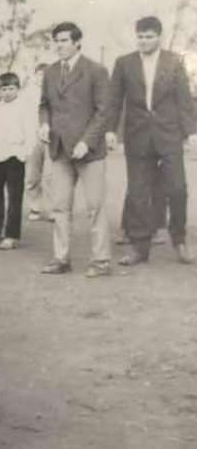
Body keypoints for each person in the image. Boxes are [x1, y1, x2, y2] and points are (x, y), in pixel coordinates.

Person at [106, 16, 196, 266]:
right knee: (138, 192)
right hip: (137, 137)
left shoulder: (174, 62)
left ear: (159, 37)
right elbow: (114, 100)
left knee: (177, 188)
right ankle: (139, 247)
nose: (143, 41)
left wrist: (191, 133)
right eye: (140, 37)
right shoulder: (124, 63)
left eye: (148, 37)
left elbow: (184, 100)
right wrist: (111, 130)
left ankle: (179, 240)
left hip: (169, 136)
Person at [39, 22, 111, 278]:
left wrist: (86, 141)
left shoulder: (96, 70)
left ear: (77, 42)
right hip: (59, 150)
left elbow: (104, 112)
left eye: (64, 40)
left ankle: (101, 261)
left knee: (96, 207)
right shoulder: (49, 72)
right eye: (56, 40)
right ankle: (61, 259)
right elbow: (44, 105)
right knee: (60, 207)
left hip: (89, 153)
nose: (59, 45)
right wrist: (44, 124)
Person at [0, 72, 35, 250]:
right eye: (3, 89)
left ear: (18, 89)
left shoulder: (24, 107)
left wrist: (25, 153)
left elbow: (30, 132)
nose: (7, 93)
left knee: (14, 197)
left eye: (11, 88)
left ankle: (11, 235)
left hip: (15, 155)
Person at [24, 63, 52, 222]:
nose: (42, 77)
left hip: (50, 138)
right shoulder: (27, 93)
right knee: (32, 176)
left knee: (51, 176)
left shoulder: (56, 91)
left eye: (45, 74)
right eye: (40, 74)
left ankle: (53, 208)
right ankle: (35, 206)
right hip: (32, 138)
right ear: (35, 76)